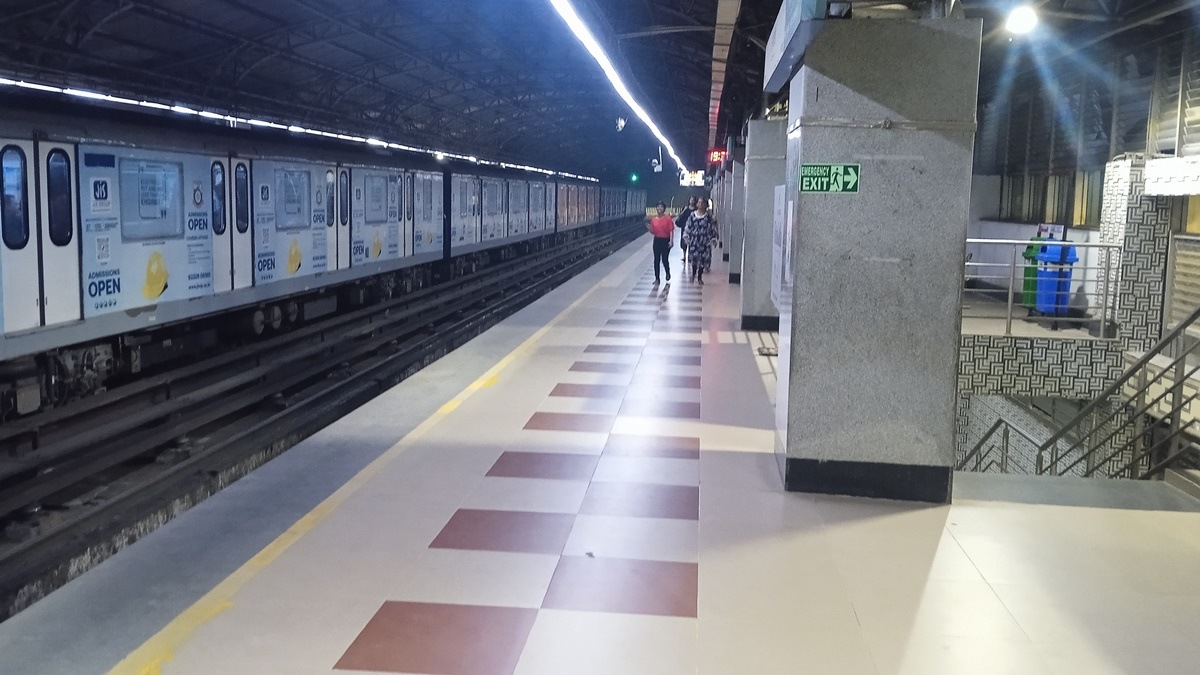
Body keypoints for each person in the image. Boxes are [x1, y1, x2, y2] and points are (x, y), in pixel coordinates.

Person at [683, 196, 717, 285]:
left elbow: (712, 228)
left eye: (702, 203)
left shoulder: (708, 216)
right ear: (697, 204)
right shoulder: (692, 215)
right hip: (694, 241)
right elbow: (688, 225)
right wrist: (686, 236)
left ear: (705, 204)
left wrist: (713, 239)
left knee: (702, 260)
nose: (700, 204)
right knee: (694, 259)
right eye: (699, 202)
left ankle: (699, 277)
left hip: (704, 242)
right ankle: (693, 274)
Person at [646, 201, 674, 283]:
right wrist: (649, 229)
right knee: (656, 260)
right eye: (658, 206)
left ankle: (667, 273)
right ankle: (657, 278)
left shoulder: (668, 218)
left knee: (664, 259)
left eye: (661, 207)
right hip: (657, 240)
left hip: (666, 240)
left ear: (664, 209)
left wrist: (671, 241)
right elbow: (653, 231)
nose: (659, 208)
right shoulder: (654, 220)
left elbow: (671, 230)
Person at [675, 196, 696, 265]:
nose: (692, 201)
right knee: (684, 242)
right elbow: (680, 216)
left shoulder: (696, 209)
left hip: (693, 228)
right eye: (691, 200)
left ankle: (690, 256)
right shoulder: (685, 208)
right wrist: (684, 210)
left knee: (692, 242)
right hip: (685, 227)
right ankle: (684, 256)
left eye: (693, 200)